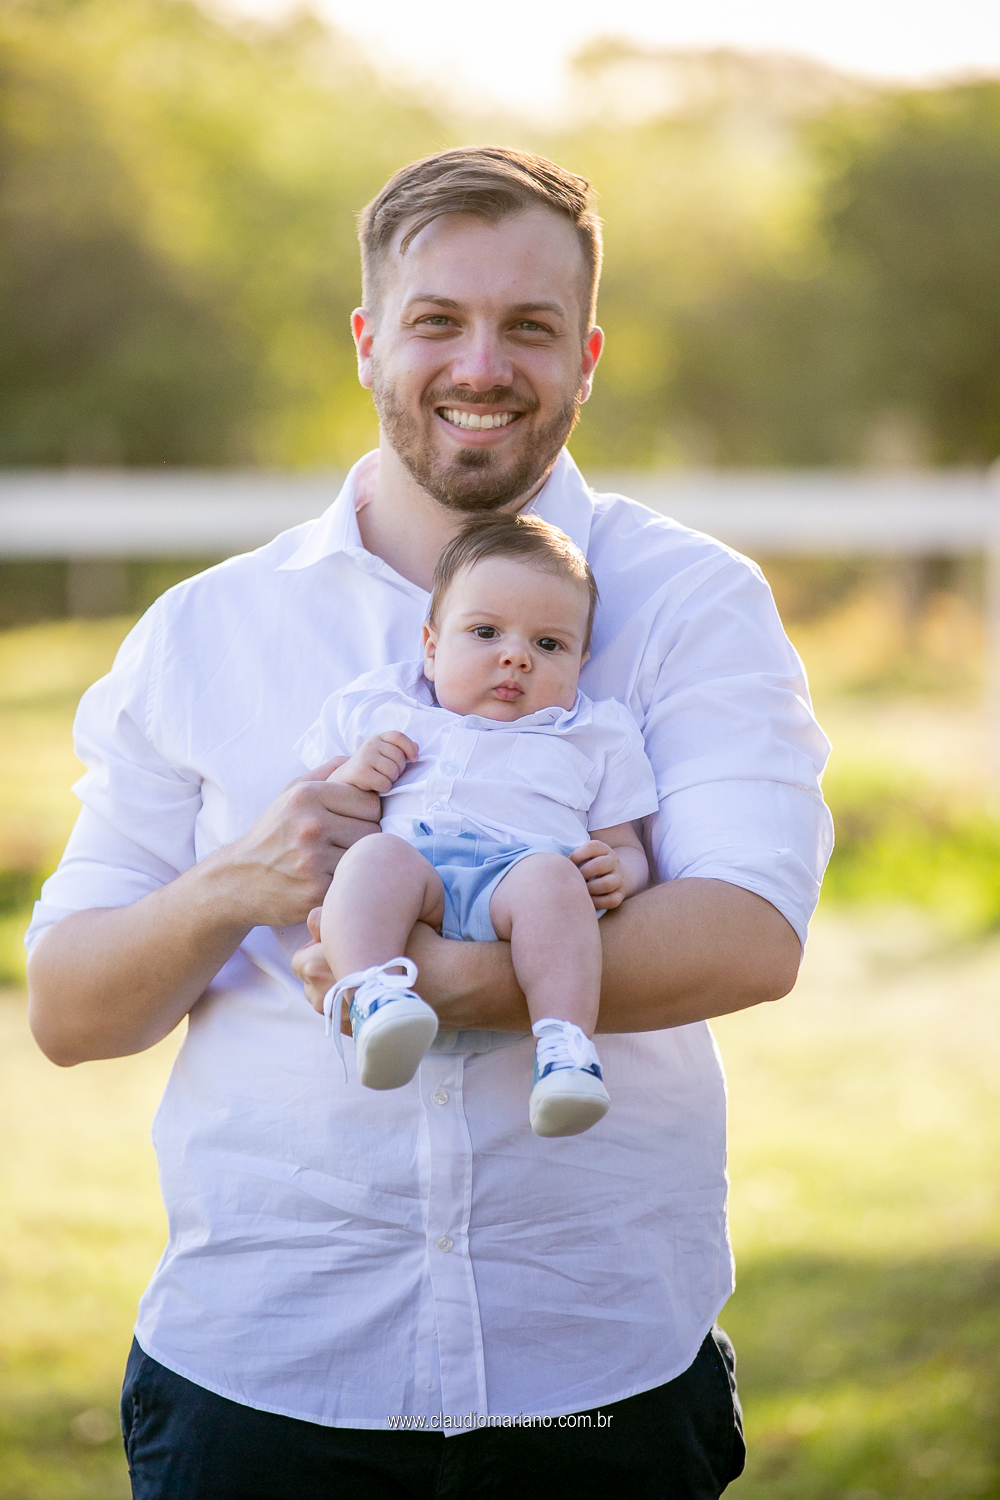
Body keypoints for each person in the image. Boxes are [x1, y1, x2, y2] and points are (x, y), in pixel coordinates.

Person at [25, 146, 832, 1499]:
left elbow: (753, 932)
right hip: (265, 1371)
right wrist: (236, 883)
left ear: (586, 358)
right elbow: (68, 1011)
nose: (481, 366)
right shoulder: (208, 629)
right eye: (437, 320)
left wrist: (463, 984)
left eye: (530, 327)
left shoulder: (694, 602)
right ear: (367, 342)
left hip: (596, 1371)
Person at [307, 513, 659, 1137]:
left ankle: (565, 1052)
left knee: (554, 882)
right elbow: (315, 808)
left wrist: (620, 873)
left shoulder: (594, 733)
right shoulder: (385, 704)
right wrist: (356, 774)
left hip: (516, 887)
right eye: (486, 632)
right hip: (417, 877)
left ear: (581, 661)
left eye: (548, 645)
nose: (515, 657)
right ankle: (377, 997)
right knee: (372, 862)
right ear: (432, 646)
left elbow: (625, 846)